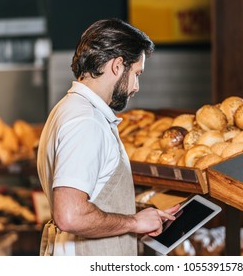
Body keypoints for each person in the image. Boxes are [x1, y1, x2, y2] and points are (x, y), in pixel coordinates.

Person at [37, 18, 179, 256]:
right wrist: (134, 222)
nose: (136, 87)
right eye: (136, 73)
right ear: (117, 65)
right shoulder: (86, 121)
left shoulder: (68, 109)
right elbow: (70, 215)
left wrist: (133, 224)